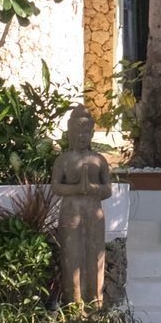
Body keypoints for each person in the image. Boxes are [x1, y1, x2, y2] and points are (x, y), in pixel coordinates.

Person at [52, 104, 113, 305]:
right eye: (77, 133)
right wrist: (78, 188)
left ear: (92, 133)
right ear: (70, 133)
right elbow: (56, 187)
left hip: (93, 212)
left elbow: (108, 189)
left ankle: (95, 302)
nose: (81, 137)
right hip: (71, 212)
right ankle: (74, 303)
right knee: (72, 256)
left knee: (95, 257)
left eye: (86, 133)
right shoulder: (64, 160)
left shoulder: (99, 159)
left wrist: (93, 189)